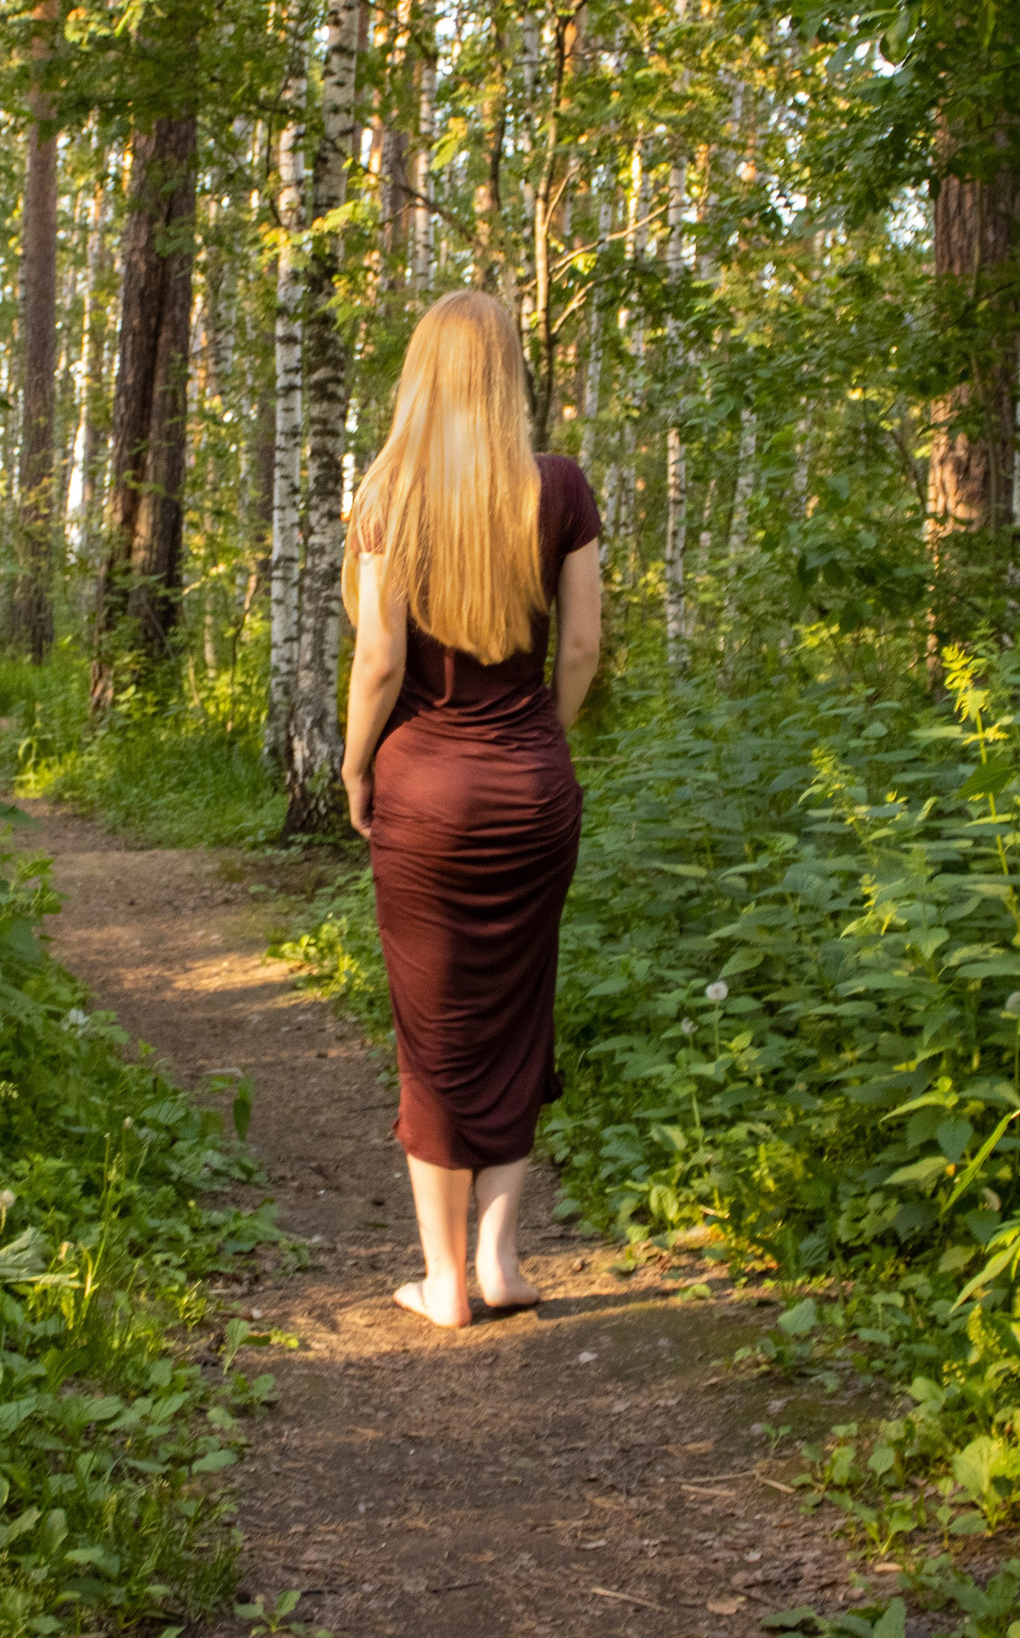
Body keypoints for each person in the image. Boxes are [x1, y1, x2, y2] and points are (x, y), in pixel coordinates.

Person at [339, 289, 602, 1329]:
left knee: (435, 1028)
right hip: (533, 787)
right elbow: (581, 648)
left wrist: (357, 767)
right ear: (505, 376)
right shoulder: (559, 489)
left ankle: (443, 1279)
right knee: (517, 1008)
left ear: (421, 374)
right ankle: (500, 1259)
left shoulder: (388, 493)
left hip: (426, 793)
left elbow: (377, 660)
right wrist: (544, 737)